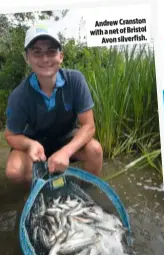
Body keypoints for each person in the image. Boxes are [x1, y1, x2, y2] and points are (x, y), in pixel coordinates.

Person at [4, 23, 103, 184]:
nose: (45, 59)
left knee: (95, 150)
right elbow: (10, 135)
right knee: (14, 171)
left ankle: (86, 192)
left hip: (66, 138)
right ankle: (36, 193)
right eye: (37, 52)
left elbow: (89, 126)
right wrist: (30, 145)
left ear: (61, 56)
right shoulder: (19, 95)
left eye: (51, 51)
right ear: (27, 58)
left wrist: (66, 151)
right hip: (36, 143)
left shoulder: (75, 80)